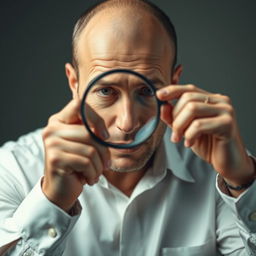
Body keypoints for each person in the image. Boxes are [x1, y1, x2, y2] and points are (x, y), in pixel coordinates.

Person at [0, 0, 256, 255]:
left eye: (147, 90)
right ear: (75, 83)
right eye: (106, 91)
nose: (128, 123)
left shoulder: (217, 172)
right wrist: (53, 201)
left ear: (173, 81)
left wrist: (243, 183)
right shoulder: (13, 170)